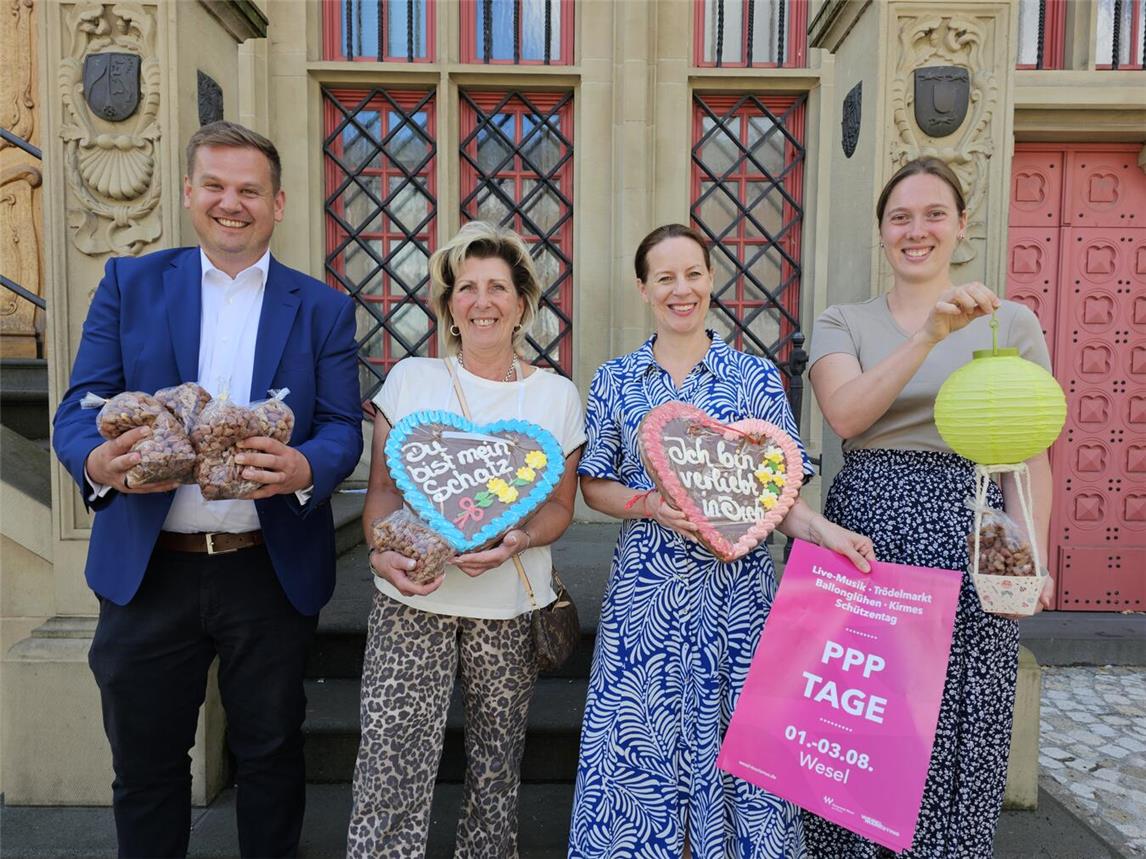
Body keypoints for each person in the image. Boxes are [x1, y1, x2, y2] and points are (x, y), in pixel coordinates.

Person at [51, 121, 364, 858]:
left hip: (268, 565)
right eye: (216, 186)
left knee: (270, 755)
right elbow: (77, 409)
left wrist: (306, 469)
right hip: (149, 567)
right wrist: (98, 465)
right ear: (190, 193)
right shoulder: (130, 285)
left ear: (278, 202)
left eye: (249, 189)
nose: (233, 203)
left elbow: (342, 428)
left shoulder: (322, 307)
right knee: (147, 767)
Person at [568, 223, 874, 859]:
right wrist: (650, 505)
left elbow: (781, 499)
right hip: (646, 604)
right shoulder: (615, 381)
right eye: (665, 278)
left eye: (693, 274)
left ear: (711, 279)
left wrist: (826, 532)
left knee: (743, 751)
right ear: (643, 289)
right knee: (639, 745)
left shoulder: (755, 379)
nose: (682, 290)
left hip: (740, 605)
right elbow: (594, 485)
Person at [802, 157, 1055, 857]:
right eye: (900, 217)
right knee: (859, 722)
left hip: (975, 528)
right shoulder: (842, 320)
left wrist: (1033, 557)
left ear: (962, 226)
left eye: (934, 213)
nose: (917, 230)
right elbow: (847, 414)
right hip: (868, 530)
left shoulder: (1012, 323)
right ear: (882, 232)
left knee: (957, 722)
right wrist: (931, 333)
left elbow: (1029, 454)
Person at [347, 221, 585, 858]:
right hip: (410, 600)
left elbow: (562, 506)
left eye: (499, 287)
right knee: (389, 762)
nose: (484, 300)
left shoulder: (556, 396)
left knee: (496, 770)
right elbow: (382, 498)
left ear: (522, 302)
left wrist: (520, 539)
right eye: (468, 287)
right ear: (450, 303)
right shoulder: (410, 381)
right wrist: (381, 554)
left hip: (507, 608)